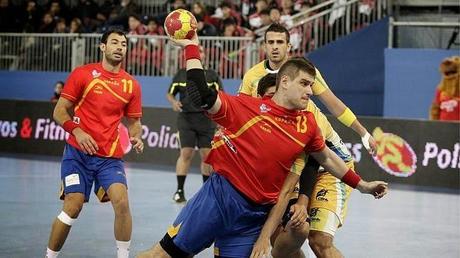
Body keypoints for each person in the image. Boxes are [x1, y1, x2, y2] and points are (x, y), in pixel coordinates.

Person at [137, 33, 387, 258]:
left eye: (311, 85)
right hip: (219, 200)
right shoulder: (248, 108)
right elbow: (201, 95)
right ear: (285, 82)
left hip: (253, 218)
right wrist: (191, 47)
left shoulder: (308, 124)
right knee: (163, 256)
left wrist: (363, 185)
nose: (310, 91)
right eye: (304, 83)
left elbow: (327, 158)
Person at [240, 23, 378, 258]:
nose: (275, 47)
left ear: (288, 45)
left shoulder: (304, 84)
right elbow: (243, 116)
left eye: (279, 42)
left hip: (327, 164)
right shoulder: (253, 77)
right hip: (292, 165)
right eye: (270, 42)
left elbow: (332, 106)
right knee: (285, 243)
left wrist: (362, 131)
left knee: (319, 240)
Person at [45, 28, 143, 258]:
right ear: (102, 46)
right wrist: (77, 132)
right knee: (73, 206)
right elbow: (59, 112)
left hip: (109, 158)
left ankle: (122, 256)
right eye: (115, 42)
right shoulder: (83, 74)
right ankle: (49, 256)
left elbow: (135, 121)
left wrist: (136, 135)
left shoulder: (131, 85)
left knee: (122, 203)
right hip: (77, 154)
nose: (120, 47)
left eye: (124, 44)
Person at [257, 73, 356, 258]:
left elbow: (313, 159)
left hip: (329, 169)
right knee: (284, 242)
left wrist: (303, 201)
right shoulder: (262, 115)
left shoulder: (305, 113)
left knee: (319, 240)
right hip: (297, 171)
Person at [167, 45, 224, 203]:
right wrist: (173, 102)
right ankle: (179, 191)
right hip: (186, 119)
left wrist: (220, 119)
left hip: (206, 119)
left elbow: (221, 96)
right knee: (186, 153)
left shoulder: (212, 75)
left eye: (201, 52)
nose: (199, 54)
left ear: (204, 56)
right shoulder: (181, 74)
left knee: (207, 157)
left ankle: (206, 192)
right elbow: (170, 93)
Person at [430, 55, 460, 121]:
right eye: (447, 73)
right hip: (443, 127)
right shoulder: (440, 89)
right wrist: (434, 125)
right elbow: (435, 109)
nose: (450, 75)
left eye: (453, 72)